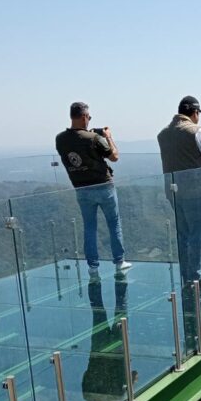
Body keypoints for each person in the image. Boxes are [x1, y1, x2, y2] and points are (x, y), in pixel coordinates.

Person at [56, 102, 132, 277]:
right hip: (103, 185)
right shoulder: (93, 139)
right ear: (83, 116)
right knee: (114, 223)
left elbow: (77, 144)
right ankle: (120, 262)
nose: (89, 120)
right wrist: (108, 137)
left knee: (89, 227)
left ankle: (93, 267)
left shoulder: (60, 139)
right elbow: (114, 157)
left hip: (81, 188)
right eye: (89, 117)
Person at [157, 95, 201, 289]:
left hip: (174, 192)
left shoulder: (163, 134)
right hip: (195, 191)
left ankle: (186, 276)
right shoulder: (196, 131)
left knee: (183, 235)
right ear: (194, 112)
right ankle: (194, 277)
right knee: (197, 235)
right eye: (198, 113)